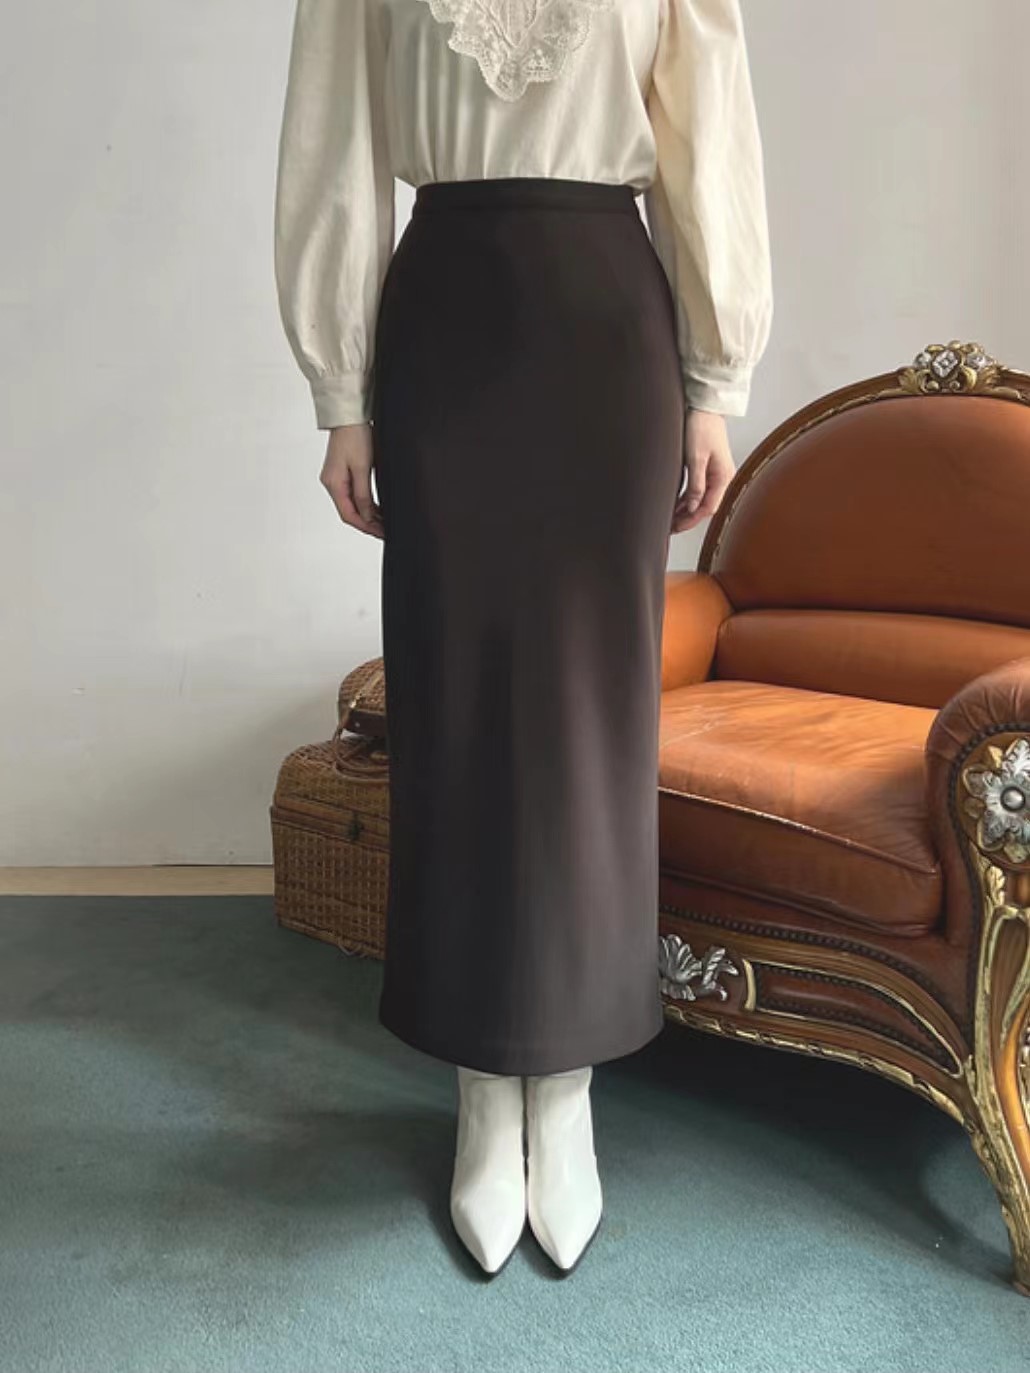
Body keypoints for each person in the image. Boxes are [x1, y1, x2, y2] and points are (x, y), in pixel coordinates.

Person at [273, 0, 773, 1277]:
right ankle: (482, 1085)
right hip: (445, 325)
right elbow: (332, 139)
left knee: (595, 715)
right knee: (455, 700)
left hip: (608, 329)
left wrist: (714, 382)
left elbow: (705, 132)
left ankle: (570, 1085)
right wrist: (341, 392)